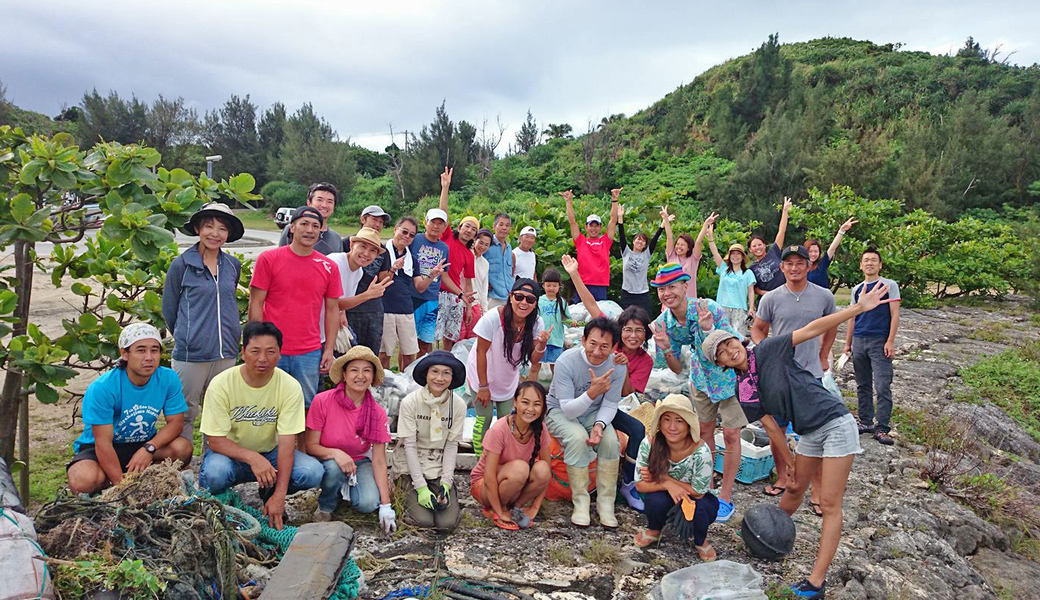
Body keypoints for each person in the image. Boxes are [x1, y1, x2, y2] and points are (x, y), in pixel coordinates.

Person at [705, 281, 893, 599]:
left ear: (738, 340)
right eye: (721, 353)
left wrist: (857, 309)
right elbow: (774, 428)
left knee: (830, 504)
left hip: (834, 422)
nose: (729, 350)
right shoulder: (745, 391)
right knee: (793, 488)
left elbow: (811, 329)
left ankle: (816, 583)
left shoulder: (767, 349)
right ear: (721, 364)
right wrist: (789, 464)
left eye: (728, 343)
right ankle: (765, 534)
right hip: (808, 432)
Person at [198, 322, 324, 530]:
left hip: (271, 455)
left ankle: (269, 492)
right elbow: (216, 441)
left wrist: (280, 496)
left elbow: (286, 443)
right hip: (230, 455)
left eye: (270, 352)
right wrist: (252, 457)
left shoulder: (290, 387)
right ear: (243, 353)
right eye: (255, 351)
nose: (262, 359)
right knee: (215, 473)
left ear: (280, 354)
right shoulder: (222, 384)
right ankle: (222, 503)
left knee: (311, 472)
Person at [649, 263, 745, 523]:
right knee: (704, 434)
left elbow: (733, 346)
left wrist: (707, 330)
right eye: (661, 289)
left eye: (672, 287)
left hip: (727, 378)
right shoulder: (663, 324)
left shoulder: (708, 308)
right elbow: (676, 369)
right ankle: (710, 485)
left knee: (731, 433)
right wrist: (668, 348)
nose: (667, 293)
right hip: (700, 382)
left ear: (684, 286)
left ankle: (725, 495)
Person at [563, 254, 652, 512]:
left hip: (608, 405)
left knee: (637, 430)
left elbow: (625, 393)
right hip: (580, 398)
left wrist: (622, 367)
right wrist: (575, 274)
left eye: (639, 331)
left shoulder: (644, 361)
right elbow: (590, 304)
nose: (632, 336)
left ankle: (627, 482)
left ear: (645, 333)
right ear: (619, 330)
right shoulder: (608, 340)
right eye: (628, 330)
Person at [752, 245, 838, 505]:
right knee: (777, 428)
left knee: (814, 431)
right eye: (788, 263)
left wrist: (824, 355)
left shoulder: (824, 296)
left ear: (808, 265)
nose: (794, 268)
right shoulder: (771, 299)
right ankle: (783, 477)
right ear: (782, 267)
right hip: (779, 375)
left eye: (799, 263)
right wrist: (765, 353)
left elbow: (831, 326)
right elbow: (758, 330)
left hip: (810, 373)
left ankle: (817, 489)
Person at [67, 324, 193, 494]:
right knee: (83, 480)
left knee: (182, 448)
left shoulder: (168, 378)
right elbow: (102, 443)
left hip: (142, 442)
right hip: (102, 447)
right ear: (125, 354)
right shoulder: (103, 387)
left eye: (154, 350)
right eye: (141, 350)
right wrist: (123, 488)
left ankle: (146, 476)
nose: (149, 357)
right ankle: (118, 481)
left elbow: (176, 424)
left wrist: (148, 448)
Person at [163, 202, 244, 442]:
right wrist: (188, 336)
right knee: (184, 413)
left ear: (228, 234)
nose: (215, 234)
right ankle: (182, 465)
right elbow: (170, 309)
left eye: (222, 228)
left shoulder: (232, 265)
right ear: (198, 228)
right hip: (191, 354)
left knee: (220, 413)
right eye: (209, 226)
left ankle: (213, 467)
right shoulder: (181, 266)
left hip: (226, 353)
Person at [250, 206, 342, 411]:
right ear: (292, 228)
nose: (310, 230)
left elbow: (332, 310)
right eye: (304, 224)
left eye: (316, 226)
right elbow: (256, 303)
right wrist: (254, 343)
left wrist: (328, 349)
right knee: (267, 405)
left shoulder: (328, 266)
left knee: (305, 405)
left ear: (320, 232)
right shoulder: (269, 259)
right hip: (272, 348)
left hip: (309, 350)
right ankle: (270, 445)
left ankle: (301, 445)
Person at [545, 316, 627, 528]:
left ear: (613, 347)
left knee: (610, 441)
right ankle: (581, 502)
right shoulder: (566, 361)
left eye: (604, 346)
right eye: (593, 344)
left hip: (594, 413)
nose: (597, 352)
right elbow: (568, 410)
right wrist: (592, 393)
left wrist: (599, 426)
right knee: (577, 437)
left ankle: (605, 504)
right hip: (560, 411)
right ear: (583, 340)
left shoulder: (617, 366)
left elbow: (610, 404)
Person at [306, 346, 396, 534]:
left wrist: (386, 505)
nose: (360, 376)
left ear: (372, 377)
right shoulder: (323, 401)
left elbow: (379, 460)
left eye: (367, 371)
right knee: (333, 469)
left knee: (368, 503)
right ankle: (326, 506)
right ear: (344, 375)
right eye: (354, 370)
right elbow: (311, 446)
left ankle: (343, 488)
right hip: (327, 460)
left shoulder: (377, 412)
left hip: (359, 460)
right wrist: (336, 454)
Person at [466, 279, 548, 456]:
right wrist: (483, 386)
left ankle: (499, 457)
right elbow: (481, 353)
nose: (523, 303)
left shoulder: (536, 324)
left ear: (535, 304)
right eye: (519, 297)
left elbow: (534, 360)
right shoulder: (493, 319)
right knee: (484, 417)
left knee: (507, 420)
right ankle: (481, 462)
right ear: (510, 297)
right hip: (482, 374)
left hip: (507, 377)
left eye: (530, 300)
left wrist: (542, 344)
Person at [390, 350, 468, 531]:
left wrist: (446, 483)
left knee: (446, 524)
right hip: (411, 465)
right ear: (426, 374)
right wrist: (420, 486)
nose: (439, 378)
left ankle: (445, 493)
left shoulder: (458, 405)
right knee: (424, 521)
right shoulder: (411, 402)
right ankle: (400, 490)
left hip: (438, 465)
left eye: (446, 373)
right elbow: (409, 445)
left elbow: (451, 445)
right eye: (435, 371)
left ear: (452, 377)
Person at [633, 394, 719, 560]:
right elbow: (640, 485)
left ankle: (701, 540)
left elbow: (699, 491)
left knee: (702, 509)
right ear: (659, 422)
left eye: (679, 421)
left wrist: (664, 479)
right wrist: (666, 486)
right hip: (666, 495)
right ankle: (655, 528)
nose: (672, 427)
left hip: (696, 498)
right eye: (667, 419)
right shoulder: (649, 443)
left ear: (688, 425)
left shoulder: (701, 451)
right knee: (654, 501)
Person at [470, 381, 552, 530]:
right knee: (520, 468)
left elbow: (547, 474)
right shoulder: (500, 429)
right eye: (525, 402)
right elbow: (488, 476)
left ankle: (516, 507)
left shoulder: (540, 429)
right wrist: (499, 511)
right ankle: (498, 507)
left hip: (514, 481)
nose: (530, 409)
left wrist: (535, 507)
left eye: (537, 404)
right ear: (515, 403)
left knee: (543, 469)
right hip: (484, 486)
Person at [843, 248, 901, 446]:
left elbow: (895, 314)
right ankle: (866, 421)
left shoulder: (889, 285)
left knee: (883, 385)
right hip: (859, 339)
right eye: (866, 260)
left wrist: (890, 340)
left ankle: (882, 427)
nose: (869, 263)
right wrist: (847, 344)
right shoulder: (857, 289)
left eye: (874, 260)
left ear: (880, 265)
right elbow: (852, 317)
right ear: (860, 265)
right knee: (862, 384)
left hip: (879, 340)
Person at [434, 167, 477, 351]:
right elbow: (443, 211)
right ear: (459, 227)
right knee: (432, 334)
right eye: (467, 226)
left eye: (473, 229)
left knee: (450, 337)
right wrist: (445, 188)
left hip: (455, 296)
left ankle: (446, 364)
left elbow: (467, 282)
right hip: (436, 290)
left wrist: (468, 306)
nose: (469, 230)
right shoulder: (448, 237)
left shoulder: (469, 254)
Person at [331, 227, 392, 353]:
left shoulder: (358, 272)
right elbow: (333, 304)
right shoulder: (336, 263)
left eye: (372, 250)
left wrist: (342, 313)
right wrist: (367, 295)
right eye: (363, 246)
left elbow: (340, 302)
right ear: (352, 245)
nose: (366, 254)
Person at [561, 188, 620, 301]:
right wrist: (568, 202)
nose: (593, 228)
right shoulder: (580, 241)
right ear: (586, 227)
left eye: (596, 225)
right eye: (591, 225)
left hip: (600, 285)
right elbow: (572, 222)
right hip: (582, 284)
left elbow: (613, 220)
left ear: (600, 227)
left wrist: (614, 200)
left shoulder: (605, 241)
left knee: (599, 317)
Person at [380, 217, 421, 371]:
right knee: (384, 354)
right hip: (386, 309)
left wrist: (432, 275)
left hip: (406, 309)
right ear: (395, 230)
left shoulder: (413, 260)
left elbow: (420, 287)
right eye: (404, 231)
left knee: (410, 354)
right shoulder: (382, 252)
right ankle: (383, 386)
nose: (407, 237)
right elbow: (381, 282)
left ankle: (406, 386)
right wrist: (393, 269)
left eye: (411, 235)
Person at [706, 217, 757, 337]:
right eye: (733, 254)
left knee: (738, 336)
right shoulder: (723, 268)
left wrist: (751, 307)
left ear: (743, 257)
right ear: (729, 256)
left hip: (740, 308)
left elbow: (751, 291)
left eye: (738, 254)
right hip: (722, 307)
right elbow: (715, 253)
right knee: (721, 336)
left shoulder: (748, 273)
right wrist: (711, 238)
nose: (735, 256)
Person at [411, 207, 451, 358]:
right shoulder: (415, 240)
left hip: (431, 299)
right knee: (409, 343)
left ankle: (420, 377)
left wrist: (461, 293)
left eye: (440, 223)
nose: (436, 226)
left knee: (426, 342)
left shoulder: (443, 247)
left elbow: (444, 276)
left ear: (445, 227)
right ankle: (404, 375)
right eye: (433, 222)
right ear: (425, 222)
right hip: (412, 296)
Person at [615, 203, 663, 314]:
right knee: (626, 321)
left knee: (645, 321)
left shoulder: (646, 254)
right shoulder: (626, 252)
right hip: (627, 293)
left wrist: (663, 225)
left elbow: (655, 239)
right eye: (638, 239)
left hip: (642, 294)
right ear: (633, 241)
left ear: (645, 245)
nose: (640, 242)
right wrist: (620, 217)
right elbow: (622, 235)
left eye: (643, 240)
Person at [277, 183, 343, 255]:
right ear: (309, 203)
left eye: (329, 201)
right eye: (319, 200)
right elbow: (280, 258)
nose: (324, 205)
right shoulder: (293, 230)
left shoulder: (336, 238)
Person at [662, 207, 710, 298]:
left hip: (689, 300)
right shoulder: (671, 256)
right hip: (671, 298)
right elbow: (669, 237)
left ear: (688, 248)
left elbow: (698, 242)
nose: (678, 247)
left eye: (682, 245)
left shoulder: (693, 259)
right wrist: (665, 219)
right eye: (678, 244)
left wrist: (705, 225)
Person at [749, 197, 793, 296]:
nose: (757, 248)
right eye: (754, 246)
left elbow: (781, 232)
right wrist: (767, 294)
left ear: (764, 246)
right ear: (750, 250)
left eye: (760, 245)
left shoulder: (774, 252)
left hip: (785, 294)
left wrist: (785, 211)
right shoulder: (751, 268)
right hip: (767, 300)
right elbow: (754, 288)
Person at [460, 228, 493, 341]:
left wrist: (484, 310)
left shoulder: (485, 264)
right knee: (456, 340)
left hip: (476, 306)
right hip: (461, 303)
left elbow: (484, 290)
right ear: (475, 240)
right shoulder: (465, 254)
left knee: (472, 342)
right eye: (481, 242)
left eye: (487, 245)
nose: (483, 247)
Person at [534, 268, 569, 375]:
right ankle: (531, 390)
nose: (551, 288)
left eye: (554, 285)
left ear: (559, 286)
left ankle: (555, 391)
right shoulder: (538, 301)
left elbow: (567, 320)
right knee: (535, 367)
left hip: (556, 341)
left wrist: (572, 323)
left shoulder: (562, 302)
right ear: (543, 285)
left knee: (556, 369)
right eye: (548, 285)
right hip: (540, 340)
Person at [805, 217, 857, 289]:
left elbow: (832, 248)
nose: (813, 254)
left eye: (816, 251)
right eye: (810, 251)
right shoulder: (801, 268)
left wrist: (841, 231)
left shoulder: (822, 264)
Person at [485, 214, 515, 309]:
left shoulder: (509, 247)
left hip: (508, 297)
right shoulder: (487, 244)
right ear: (494, 226)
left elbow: (511, 272)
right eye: (501, 224)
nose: (504, 228)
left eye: (507, 225)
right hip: (492, 297)